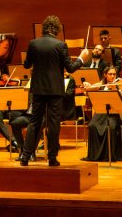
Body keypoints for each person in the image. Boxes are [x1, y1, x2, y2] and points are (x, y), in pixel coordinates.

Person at [21, 15, 89, 167]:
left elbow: (26, 65)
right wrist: (81, 58)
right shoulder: (60, 45)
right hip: (55, 90)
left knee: (34, 122)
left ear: (44, 28)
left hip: (38, 89)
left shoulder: (33, 43)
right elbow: (70, 68)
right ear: (56, 29)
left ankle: (25, 157)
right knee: (53, 124)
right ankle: (52, 158)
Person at [81, 66, 122, 162]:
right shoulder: (100, 85)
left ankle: (110, 155)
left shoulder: (119, 85)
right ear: (105, 75)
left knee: (111, 128)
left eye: (114, 74)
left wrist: (116, 89)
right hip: (100, 112)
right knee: (92, 126)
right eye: (110, 74)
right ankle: (95, 155)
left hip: (113, 113)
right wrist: (85, 84)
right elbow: (86, 91)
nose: (112, 76)